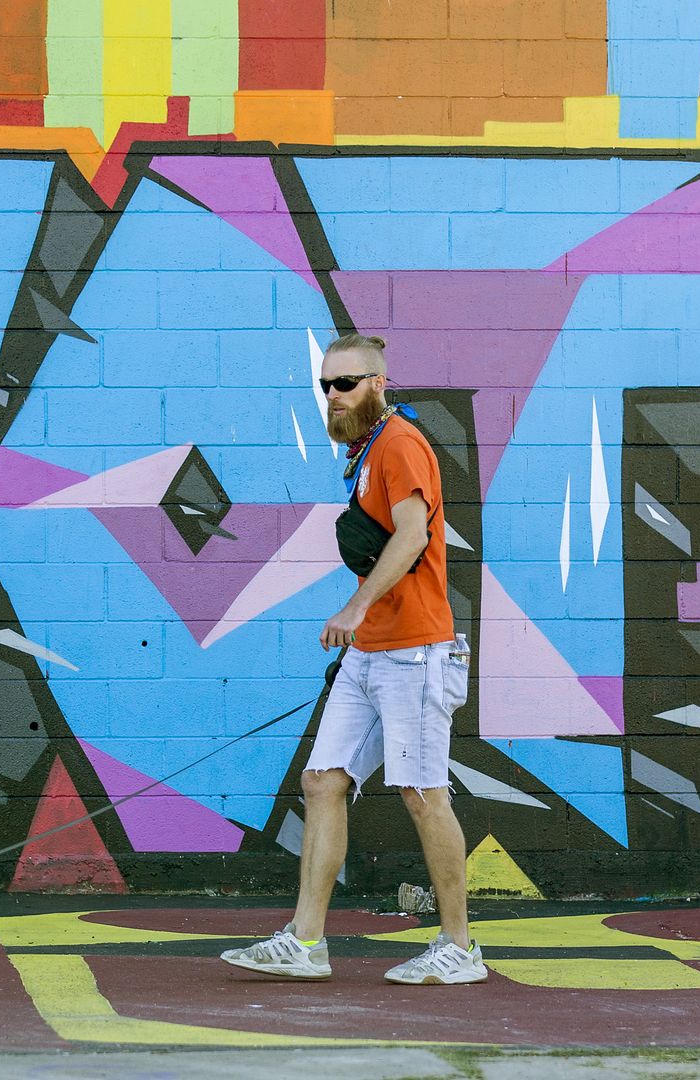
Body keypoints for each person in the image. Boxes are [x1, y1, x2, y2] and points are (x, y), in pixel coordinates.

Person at [220, 333, 483, 985]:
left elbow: (415, 534)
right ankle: (306, 943)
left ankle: (461, 947)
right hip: (372, 654)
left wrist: (357, 606)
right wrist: (363, 625)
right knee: (323, 781)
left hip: (418, 651)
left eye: (347, 383)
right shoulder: (365, 452)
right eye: (325, 386)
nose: (334, 396)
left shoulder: (400, 445)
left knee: (422, 794)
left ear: (379, 383)